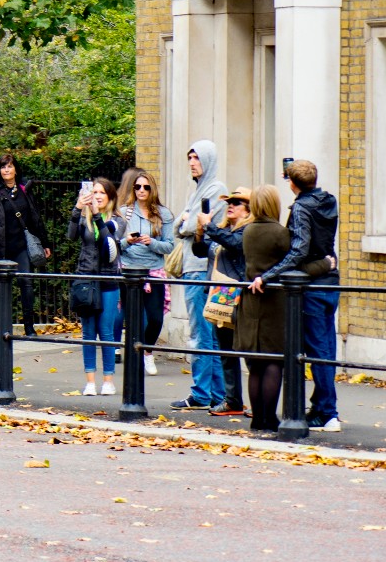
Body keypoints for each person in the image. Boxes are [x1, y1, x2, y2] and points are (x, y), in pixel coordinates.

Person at [254, 158, 341, 431]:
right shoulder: (329, 200)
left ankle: (327, 412)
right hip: (330, 281)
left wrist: (268, 275)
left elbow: (299, 249)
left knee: (317, 351)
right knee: (326, 347)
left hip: (311, 286)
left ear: (291, 183)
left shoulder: (302, 207)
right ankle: (322, 407)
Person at [204, 186, 292, 434]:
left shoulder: (249, 231)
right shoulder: (281, 233)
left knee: (254, 363)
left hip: (249, 300)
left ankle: (257, 419)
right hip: (273, 300)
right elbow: (293, 259)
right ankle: (270, 419)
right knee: (273, 361)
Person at [170, 140, 230, 413]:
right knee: (208, 335)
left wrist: (185, 221)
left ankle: (201, 393)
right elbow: (179, 225)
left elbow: (188, 226)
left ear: (208, 160)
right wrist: (184, 222)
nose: (192, 162)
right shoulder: (198, 192)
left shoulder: (216, 190)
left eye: (197, 158)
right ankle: (217, 394)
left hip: (200, 268)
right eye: (189, 157)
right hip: (193, 266)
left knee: (201, 334)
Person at [0, 156, 49, 336]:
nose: (6, 170)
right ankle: (4, 326)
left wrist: (45, 242)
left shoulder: (25, 190)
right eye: (3, 167)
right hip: (2, 247)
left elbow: (35, 218)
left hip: (21, 247)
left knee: (26, 284)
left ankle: (29, 326)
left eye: (10, 167)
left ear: (16, 170)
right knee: (4, 288)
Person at [116, 167, 173, 380]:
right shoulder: (124, 212)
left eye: (146, 187)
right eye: (137, 186)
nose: (141, 190)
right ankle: (136, 355)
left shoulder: (163, 214)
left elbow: (169, 246)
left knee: (156, 319)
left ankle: (148, 350)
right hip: (130, 270)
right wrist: (127, 240)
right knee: (134, 319)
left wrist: (152, 242)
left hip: (154, 270)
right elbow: (115, 245)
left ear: (152, 190)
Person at [69, 178, 122, 396]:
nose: (98, 196)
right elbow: (70, 237)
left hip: (108, 280)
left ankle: (108, 380)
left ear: (110, 197)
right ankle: (90, 380)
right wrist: (78, 209)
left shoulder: (118, 220)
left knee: (106, 332)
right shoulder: (85, 218)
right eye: (95, 192)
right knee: (88, 332)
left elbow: (108, 244)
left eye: (102, 193)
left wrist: (98, 215)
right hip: (86, 281)